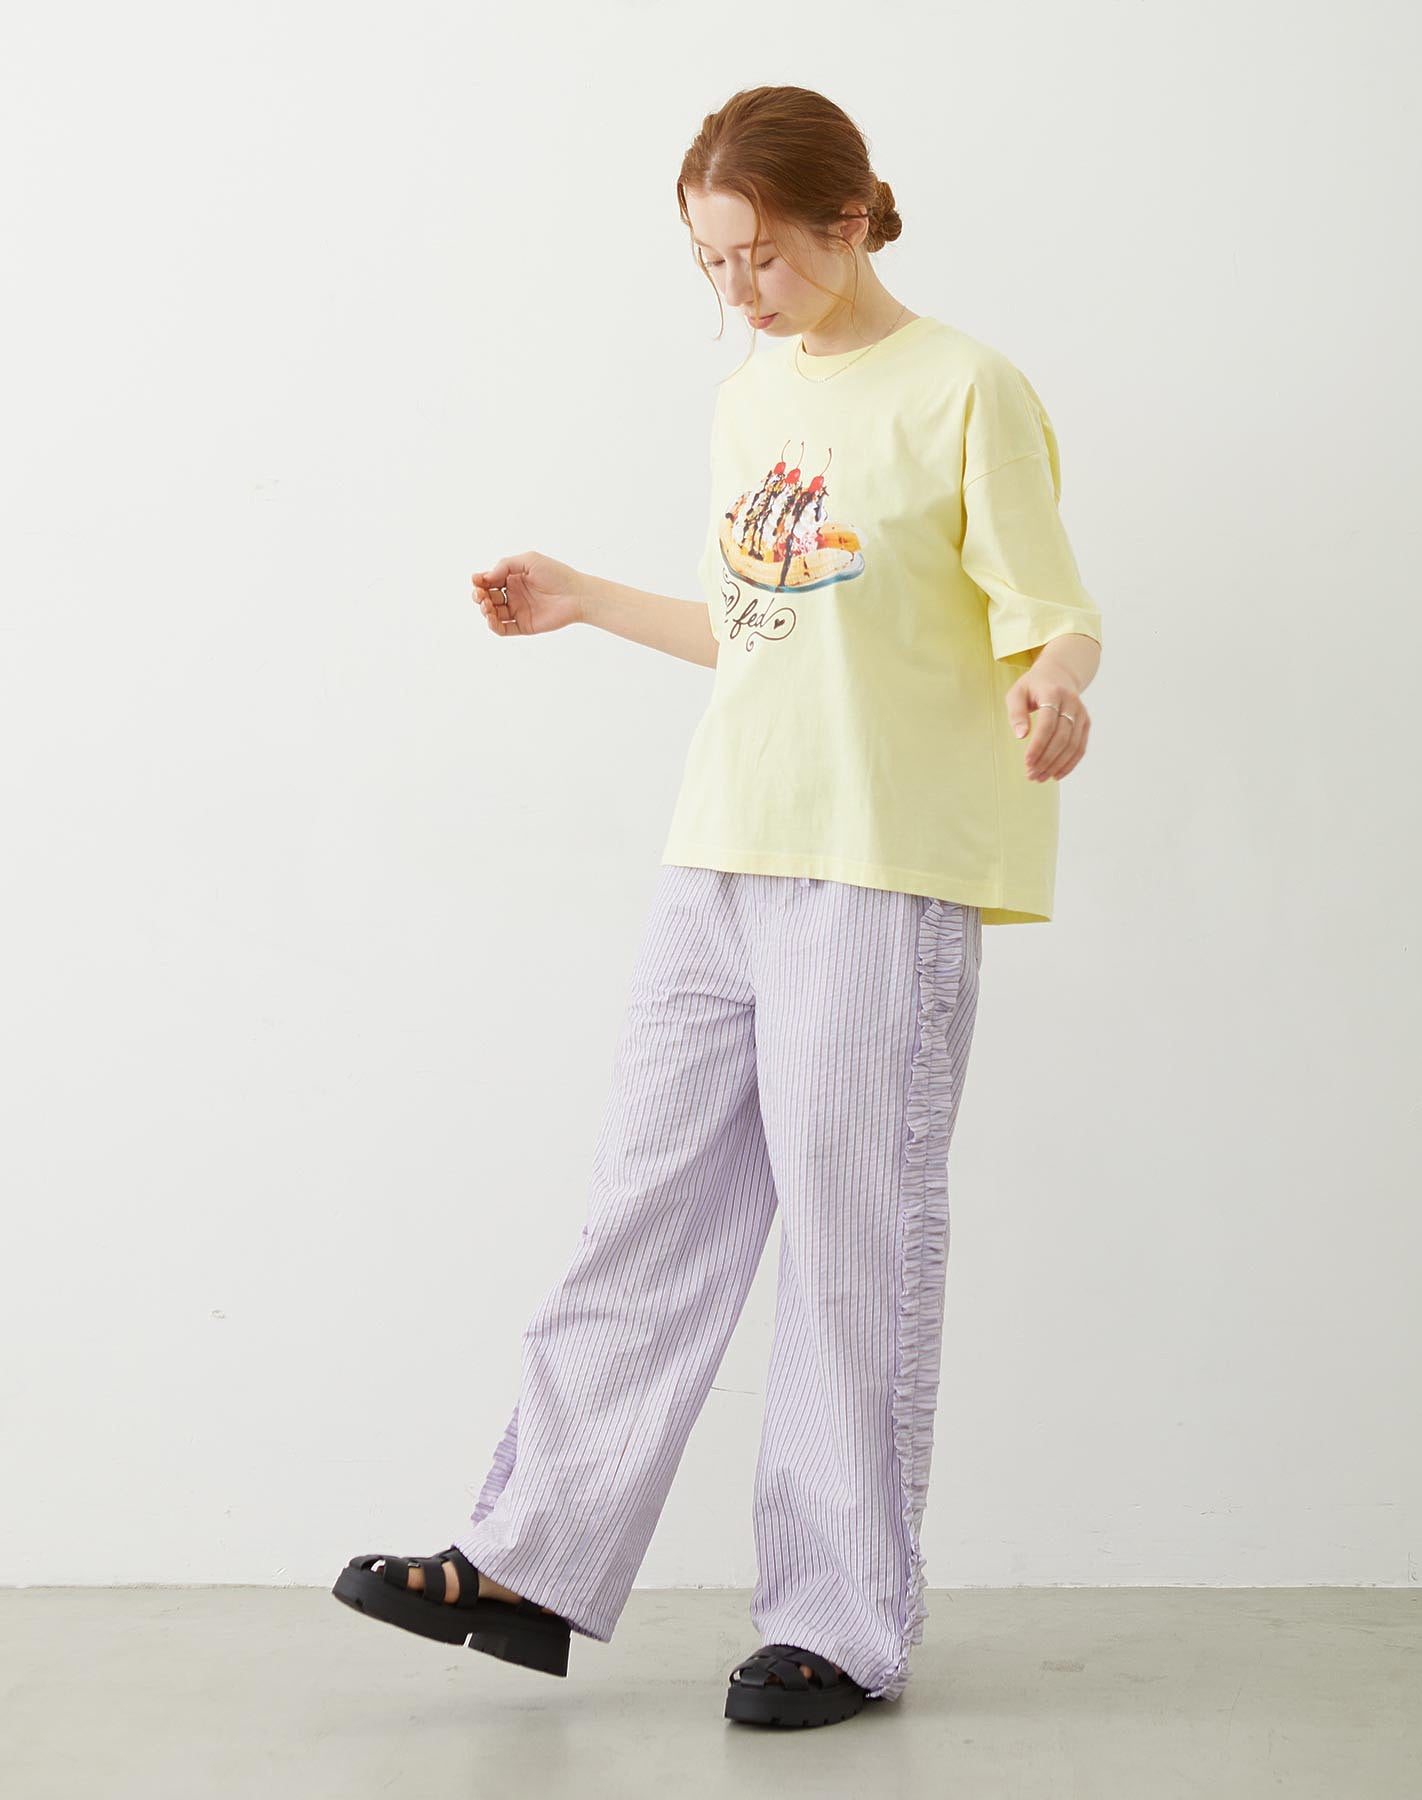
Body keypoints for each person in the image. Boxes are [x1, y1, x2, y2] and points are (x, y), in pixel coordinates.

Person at [332, 83, 1103, 1731]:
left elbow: (1051, 608)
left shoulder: (965, 387)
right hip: (726, 848)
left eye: (760, 256)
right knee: (646, 1203)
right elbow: (760, 628)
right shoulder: (750, 402)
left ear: (848, 219)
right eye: (709, 264)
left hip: (884, 866)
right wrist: (582, 600)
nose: (739, 291)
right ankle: (531, 1557)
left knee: (847, 1242)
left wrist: (1059, 682)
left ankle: (841, 1622)